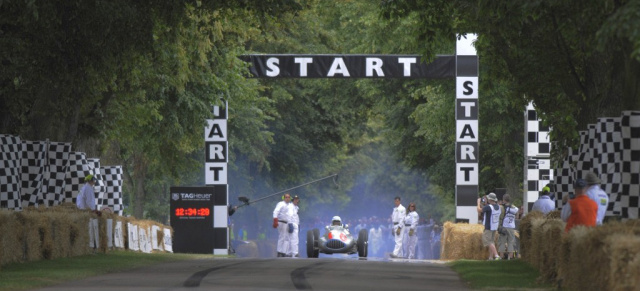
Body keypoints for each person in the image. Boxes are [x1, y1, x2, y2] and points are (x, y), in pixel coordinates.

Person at [478, 192, 501, 260]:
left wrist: (478, 203)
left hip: (489, 227)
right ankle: (491, 257)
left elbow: (479, 210)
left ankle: (497, 256)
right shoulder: (498, 206)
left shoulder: (489, 207)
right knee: (492, 241)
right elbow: (488, 209)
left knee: (488, 241)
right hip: (494, 227)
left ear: (490, 199)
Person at [497, 194, 518, 260]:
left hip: (504, 226)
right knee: (511, 242)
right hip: (511, 227)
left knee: (502, 242)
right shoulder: (514, 208)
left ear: (503, 200)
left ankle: (501, 256)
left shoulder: (502, 208)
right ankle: (510, 256)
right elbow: (517, 215)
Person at [272, 193, 293, 257]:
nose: (287, 198)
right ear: (284, 198)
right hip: (281, 222)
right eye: (286, 197)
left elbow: (290, 215)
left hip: (287, 222)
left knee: (287, 237)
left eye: (288, 197)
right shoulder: (281, 203)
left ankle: (284, 252)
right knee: (282, 236)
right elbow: (276, 211)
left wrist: (290, 223)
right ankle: (279, 251)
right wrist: (275, 220)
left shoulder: (290, 205)